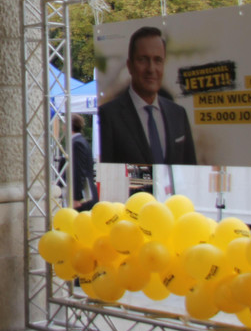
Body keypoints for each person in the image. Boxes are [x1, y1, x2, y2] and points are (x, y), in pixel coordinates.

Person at [99, 26, 197, 166]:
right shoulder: (109, 115)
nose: (151, 69)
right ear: (130, 66)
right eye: (143, 60)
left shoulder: (178, 114)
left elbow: (190, 166)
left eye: (158, 60)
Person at [68, 114, 99, 211]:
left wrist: (76, 197)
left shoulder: (77, 143)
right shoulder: (81, 141)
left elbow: (78, 171)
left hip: (83, 196)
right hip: (84, 194)